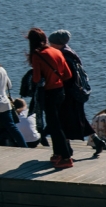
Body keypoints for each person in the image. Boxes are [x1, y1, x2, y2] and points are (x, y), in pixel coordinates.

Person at [28, 28, 74, 168]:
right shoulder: (57, 51)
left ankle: (66, 157)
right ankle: (57, 153)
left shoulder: (37, 55)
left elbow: (36, 79)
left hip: (49, 93)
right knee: (57, 123)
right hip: (60, 92)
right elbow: (68, 75)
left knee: (54, 125)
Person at [48, 30, 92, 141]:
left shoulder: (64, 56)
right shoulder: (70, 53)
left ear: (57, 43)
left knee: (64, 118)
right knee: (79, 117)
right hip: (77, 91)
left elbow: (67, 76)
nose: (49, 45)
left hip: (69, 93)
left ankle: (66, 146)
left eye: (51, 43)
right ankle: (96, 140)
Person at [0, 48, 27, 148]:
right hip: (4, 102)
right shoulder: (2, 69)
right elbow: (9, 85)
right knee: (12, 127)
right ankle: (24, 146)